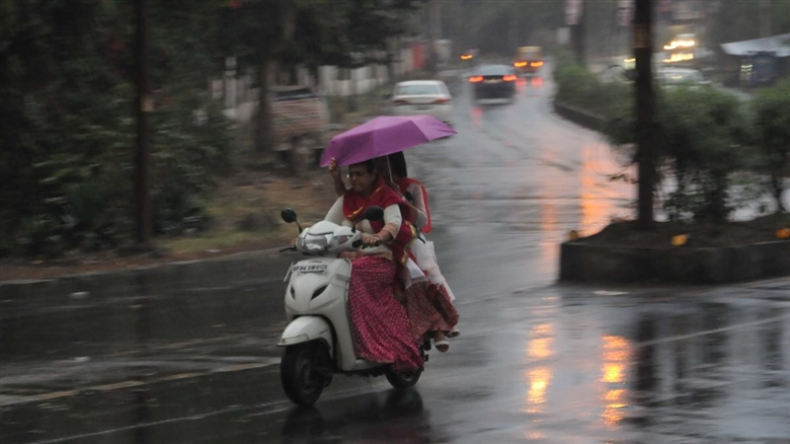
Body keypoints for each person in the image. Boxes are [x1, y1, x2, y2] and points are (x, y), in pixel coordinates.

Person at [330, 155, 459, 352]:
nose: (381, 170)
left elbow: (413, 222)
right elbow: (343, 208)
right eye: (351, 175)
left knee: (424, 269)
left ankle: (439, 324)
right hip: (358, 250)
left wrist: (402, 203)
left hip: (403, 240)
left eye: (383, 167)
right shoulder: (356, 195)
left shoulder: (403, 189)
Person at [324, 159, 423, 373]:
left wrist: (379, 237)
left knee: (353, 275)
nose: (354, 179)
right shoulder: (348, 199)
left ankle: (374, 348)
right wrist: (304, 235)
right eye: (351, 174)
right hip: (349, 259)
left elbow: (394, 224)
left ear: (372, 175)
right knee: (327, 273)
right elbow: (327, 223)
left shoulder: (386, 196)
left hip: (381, 260)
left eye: (359, 174)